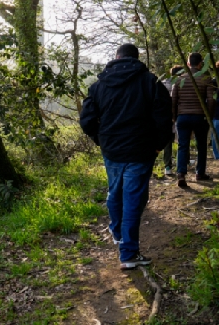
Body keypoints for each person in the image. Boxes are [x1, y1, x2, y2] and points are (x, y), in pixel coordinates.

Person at [80, 44, 172, 270]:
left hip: (112, 150)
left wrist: (100, 140)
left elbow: (87, 121)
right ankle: (128, 253)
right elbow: (164, 117)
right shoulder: (151, 82)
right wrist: (159, 145)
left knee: (115, 190)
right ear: (136, 58)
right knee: (133, 198)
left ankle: (118, 231)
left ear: (116, 57)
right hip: (141, 151)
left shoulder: (99, 86)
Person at [172, 52, 215, 188]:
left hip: (183, 116)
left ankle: (181, 174)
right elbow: (211, 100)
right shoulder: (205, 78)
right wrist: (209, 115)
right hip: (199, 116)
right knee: (201, 145)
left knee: (182, 145)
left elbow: (174, 100)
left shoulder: (179, 79)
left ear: (188, 63)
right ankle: (200, 172)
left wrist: (174, 117)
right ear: (200, 63)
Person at [162, 65, 183, 176]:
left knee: (168, 142)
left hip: (167, 116)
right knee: (183, 140)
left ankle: (168, 166)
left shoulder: (163, 83)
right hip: (180, 114)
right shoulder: (183, 82)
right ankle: (184, 163)